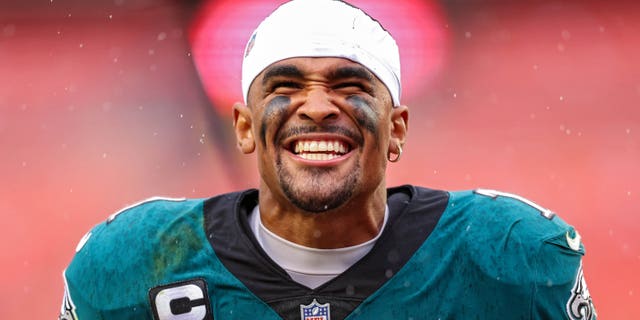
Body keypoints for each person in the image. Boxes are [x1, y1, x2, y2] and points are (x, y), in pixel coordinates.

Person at [59, 0, 597, 319]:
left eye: (350, 85)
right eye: (286, 86)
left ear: (397, 129)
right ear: (245, 128)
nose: (316, 107)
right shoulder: (135, 264)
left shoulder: (508, 258)